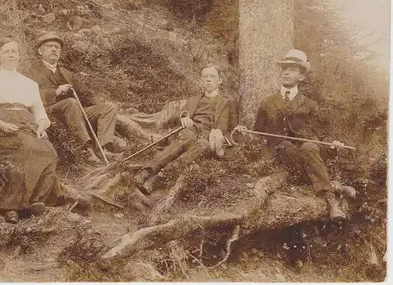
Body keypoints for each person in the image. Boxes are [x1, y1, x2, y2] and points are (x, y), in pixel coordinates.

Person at [244, 49, 356, 221]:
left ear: (302, 77)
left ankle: (331, 200)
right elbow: (258, 132)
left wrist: (334, 144)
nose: (287, 72)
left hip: (308, 149)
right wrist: (245, 135)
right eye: (284, 68)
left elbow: (322, 135)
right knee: (285, 147)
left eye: (293, 69)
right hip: (282, 153)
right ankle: (334, 187)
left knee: (309, 147)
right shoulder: (267, 103)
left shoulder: (310, 104)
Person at [0, 36, 76, 223]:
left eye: (14, 51)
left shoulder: (29, 83)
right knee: (20, 151)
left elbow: (40, 113)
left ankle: (37, 201)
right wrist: (2, 125)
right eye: (7, 51)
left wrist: (41, 126)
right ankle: (11, 207)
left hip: (27, 126)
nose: (12, 54)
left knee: (48, 152)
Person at [132, 64, 238, 196]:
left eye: (212, 76)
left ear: (220, 80)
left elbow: (234, 130)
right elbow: (179, 115)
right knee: (187, 136)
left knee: (203, 145)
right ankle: (146, 172)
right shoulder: (193, 100)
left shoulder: (228, 102)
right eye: (205, 77)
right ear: (201, 80)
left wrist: (220, 139)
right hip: (191, 129)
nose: (209, 80)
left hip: (209, 137)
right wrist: (184, 117)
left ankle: (158, 179)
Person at [22, 33, 122, 165]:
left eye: (57, 47)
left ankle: (104, 148)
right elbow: (26, 94)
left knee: (109, 107)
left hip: (75, 112)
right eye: (49, 46)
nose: (54, 49)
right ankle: (87, 150)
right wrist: (55, 92)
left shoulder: (67, 73)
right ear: (40, 51)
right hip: (48, 111)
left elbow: (86, 94)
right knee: (71, 102)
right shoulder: (30, 70)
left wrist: (99, 107)